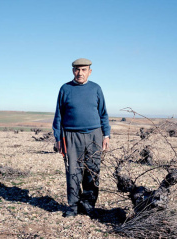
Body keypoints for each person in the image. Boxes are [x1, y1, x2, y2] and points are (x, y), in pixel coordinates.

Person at [52, 58, 111, 217]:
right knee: (73, 172)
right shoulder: (65, 89)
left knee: (93, 172)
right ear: (73, 71)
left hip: (94, 135)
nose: (80, 73)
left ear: (89, 72)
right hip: (71, 136)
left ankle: (88, 205)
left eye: (84, 70)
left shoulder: (96, 88)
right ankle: (73, 206)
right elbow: (58, 116)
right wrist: (58, 139)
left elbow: (103, 113)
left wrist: (106, 135)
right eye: (77, 70)